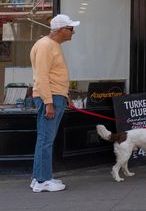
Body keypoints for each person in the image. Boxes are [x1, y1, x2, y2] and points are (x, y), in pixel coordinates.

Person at [30, 14, 80, 193]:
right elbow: (41, 76)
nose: (73, 33)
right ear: (61, 30)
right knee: (46, 140)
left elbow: (50, 75)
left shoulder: (51, 45)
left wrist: (64, 94)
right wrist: (48, 102)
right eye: (71, 29)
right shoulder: (46, 45)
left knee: (44, 139)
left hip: (54, 95)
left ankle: (38, 178)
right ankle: (43, 180)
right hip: (49, 97)